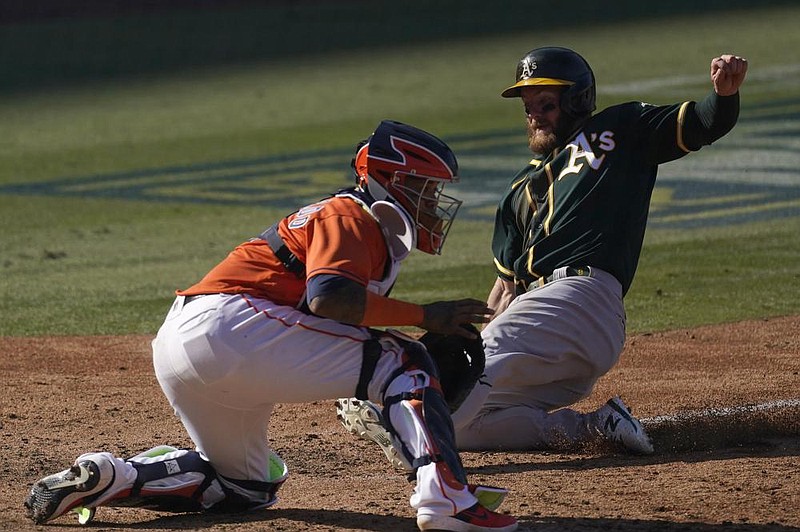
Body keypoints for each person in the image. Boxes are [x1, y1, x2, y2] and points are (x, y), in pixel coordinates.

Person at [23, 120, 519, 532]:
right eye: (425, 188)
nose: (433, 202)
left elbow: (327, 317)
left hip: (187, 346)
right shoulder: (350, 214)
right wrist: (425, 318)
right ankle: (447, 498)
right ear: (391, 180)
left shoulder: (358, 225)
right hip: (231, 328)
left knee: (246, 487)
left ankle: (111, 476)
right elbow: (330, 299)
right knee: (403, 358)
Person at [337, 47, 748, 462]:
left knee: (456, 388)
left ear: (578, 100)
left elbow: (701, 123)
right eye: (529, 107)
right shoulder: (518, 192)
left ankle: (394, 410)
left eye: (545, 104)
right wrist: (473, 335)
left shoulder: (619, 129)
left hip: (580, 299)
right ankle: (596, 427)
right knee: (463, 424)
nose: (534, 115)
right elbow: (504, 292)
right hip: (551, 331)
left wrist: (724, 94)